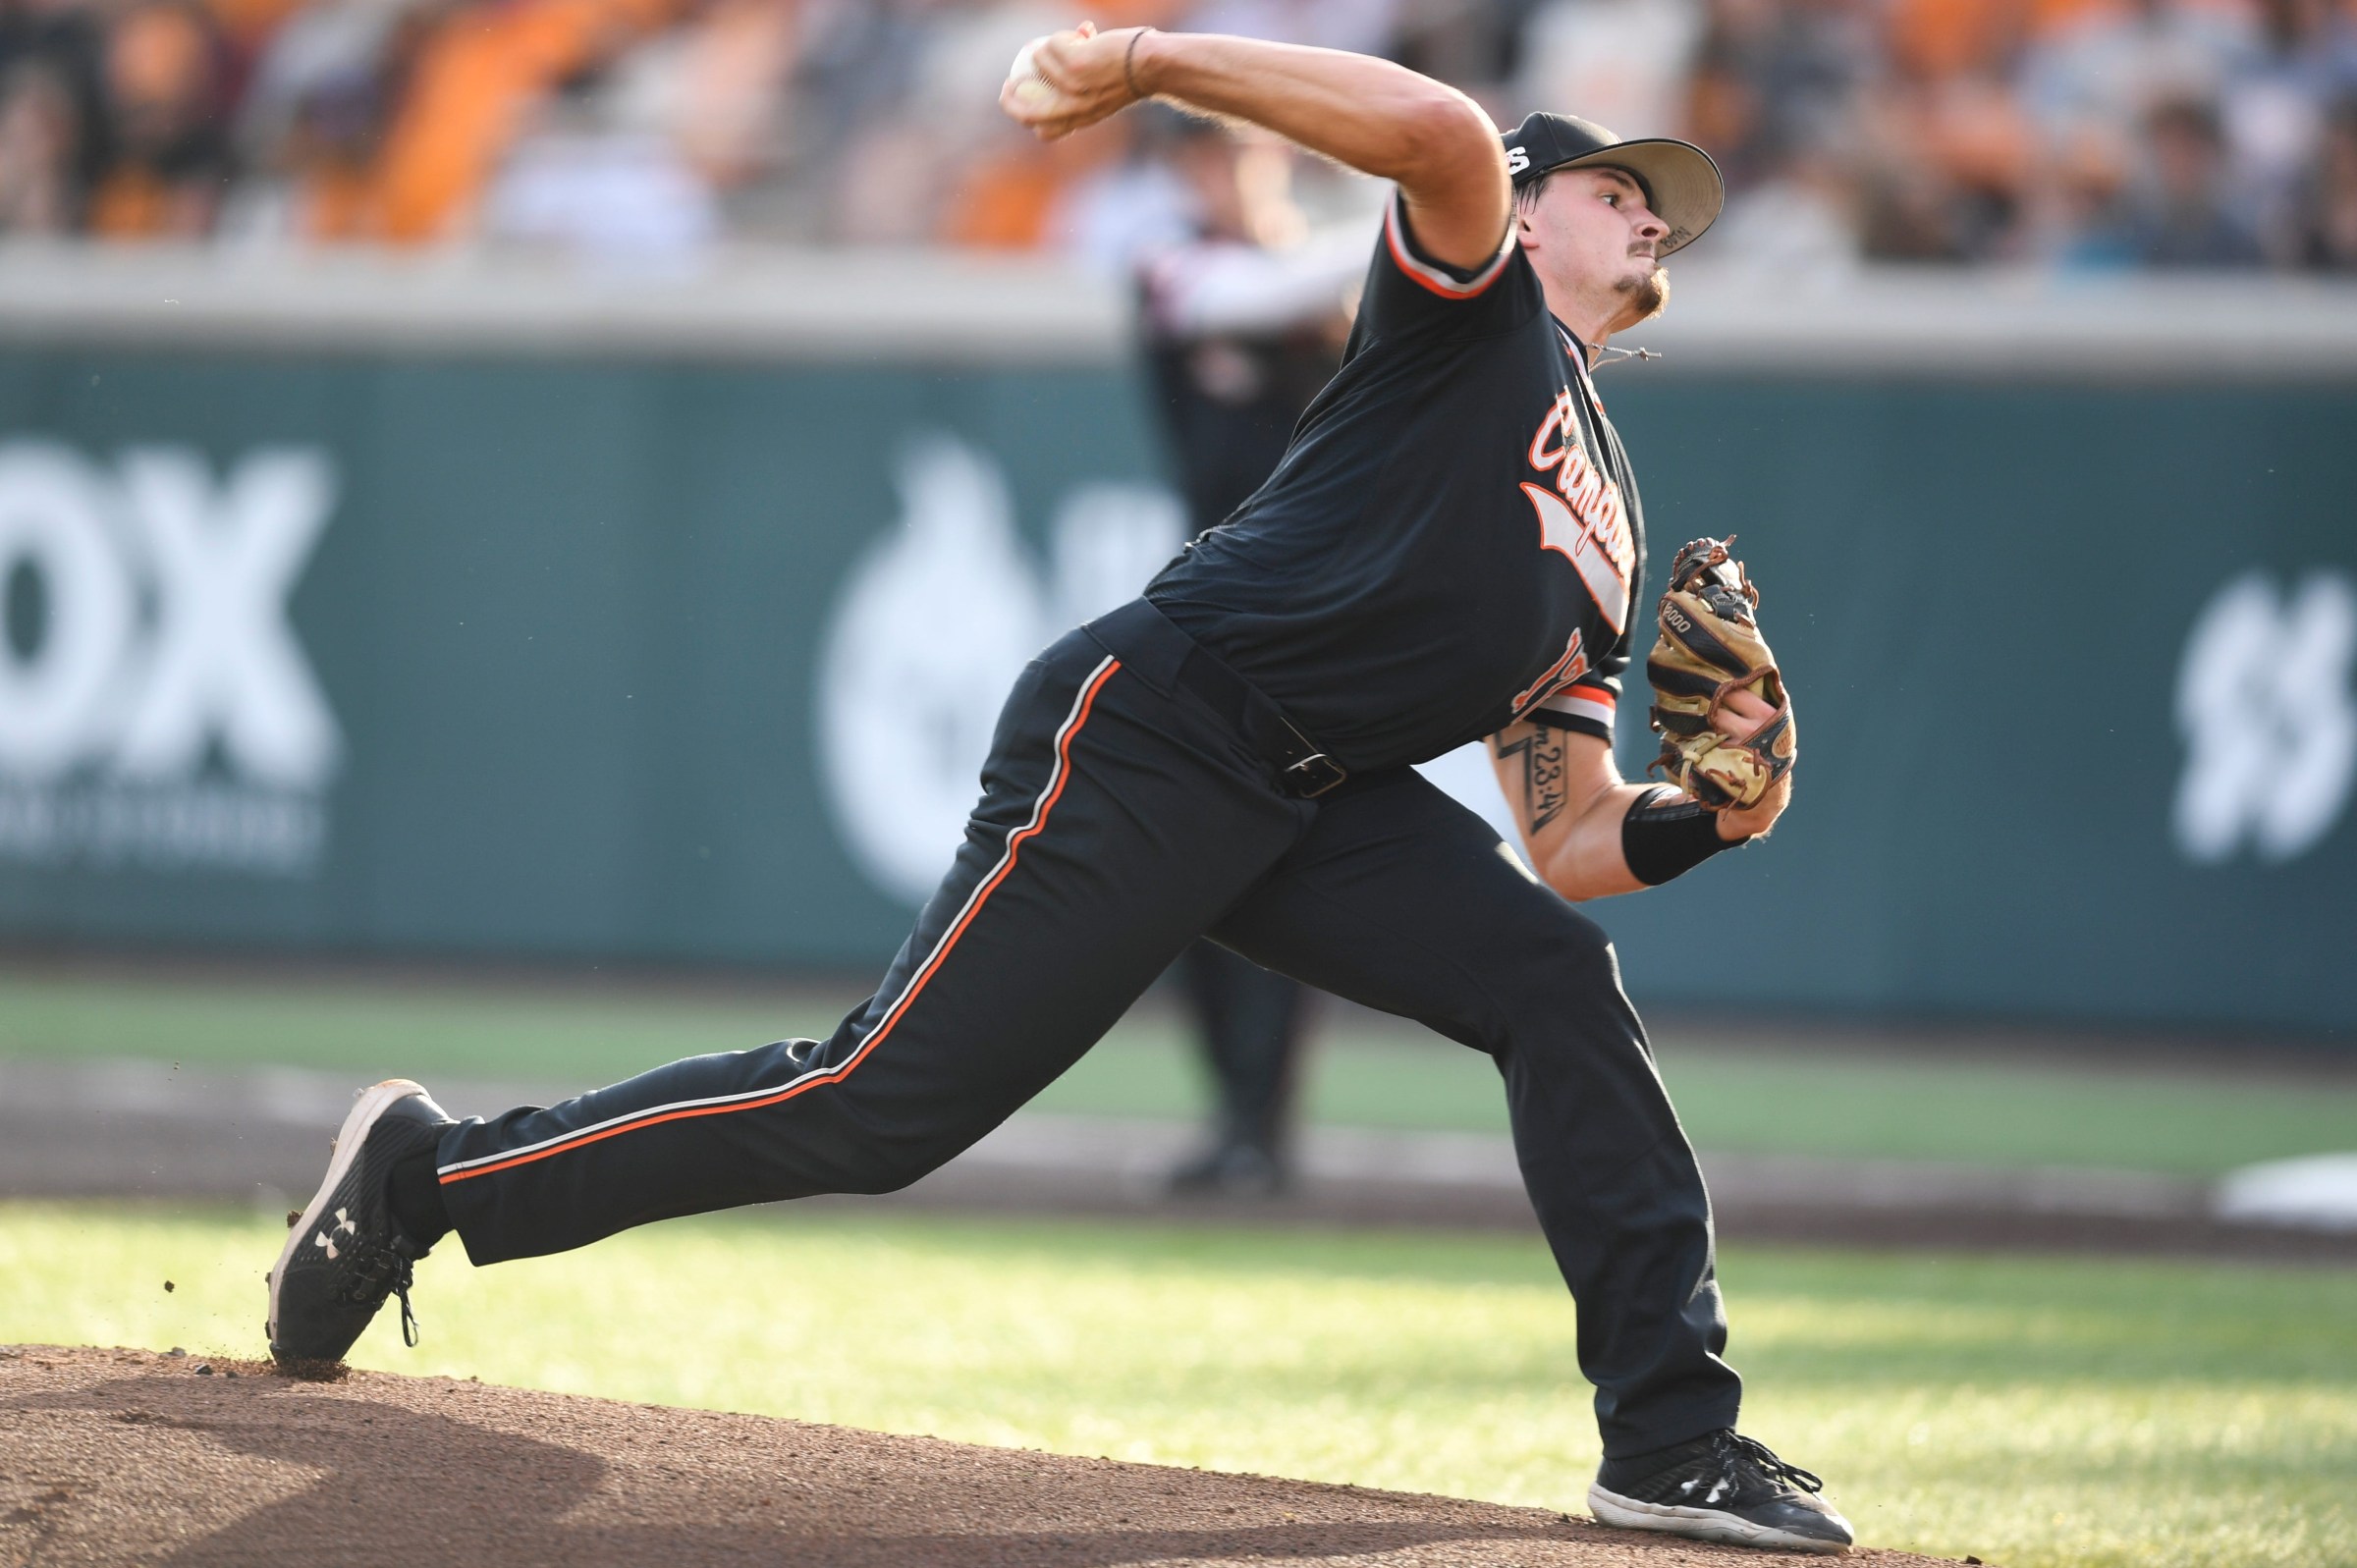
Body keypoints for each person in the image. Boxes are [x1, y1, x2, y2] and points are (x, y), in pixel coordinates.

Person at [266, 25, 1850, 1554]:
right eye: (1615, 182)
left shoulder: (1615, 528)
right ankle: (432, 1172)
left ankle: (1670, 1440)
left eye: (1668, 205)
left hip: (1315, 795)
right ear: (1525, 200)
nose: (1653, 209)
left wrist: (1715, 812)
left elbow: (1571, 833)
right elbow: (1436, 133)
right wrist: (1149, 56)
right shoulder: (1475, 314)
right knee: (878, 1107)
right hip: (1168, 721)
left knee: (1555, 976)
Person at [1132, 116, 1358, 1197]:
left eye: (1239, 152)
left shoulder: (1337, 281)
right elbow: (1245, 298)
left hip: (1319, 622)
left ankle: (1265, 1133)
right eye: (1204, 157)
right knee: (1186, 882)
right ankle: (1236, 1120)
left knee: (1280, 870)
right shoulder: (1174, 265)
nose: (1223, 174)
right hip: (1211, 608)